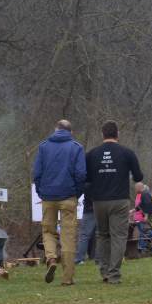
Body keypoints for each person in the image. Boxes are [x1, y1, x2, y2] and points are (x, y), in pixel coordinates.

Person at [85, 121, 143, 284]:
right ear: (117, 133)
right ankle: (114, 274)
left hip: (99, 201)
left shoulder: (91, 154)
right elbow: (138, 176)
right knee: (118, 237)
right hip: (120, 200)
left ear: (102, 134)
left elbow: (86, 178)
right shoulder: (127, 153)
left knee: (102, 235)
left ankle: (104, 271)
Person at [33, 119, 87, 285]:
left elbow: (36, 174)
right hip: (68, 197)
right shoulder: (76, 147)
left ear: (55, 129)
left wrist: (41, 192)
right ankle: (67, 278)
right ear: (70, 132)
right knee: (68, 236)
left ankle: (50, 258)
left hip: (48, 197)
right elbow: (81, 175)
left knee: (48, 231)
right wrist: (76, 194)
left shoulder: (43, 147)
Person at [75, 195, 96, 265]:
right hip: (103, 205)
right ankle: (95, 257)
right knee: (99, 234)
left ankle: (79, 259)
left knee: (84, 235)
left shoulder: (89, 183)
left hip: (90, 207)